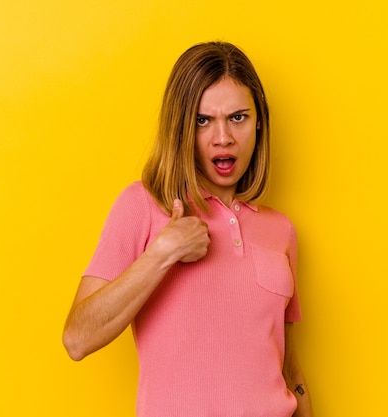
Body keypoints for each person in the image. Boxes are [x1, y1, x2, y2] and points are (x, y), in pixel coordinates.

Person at [63, 41, 313, 417]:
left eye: (238, 117)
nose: (223, 137)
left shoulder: (281, 230)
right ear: (182, 127)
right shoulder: (144, 206)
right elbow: (77, 339)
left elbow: (289, 370)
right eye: (203, 120)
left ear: (259, 120)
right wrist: (162, 253)